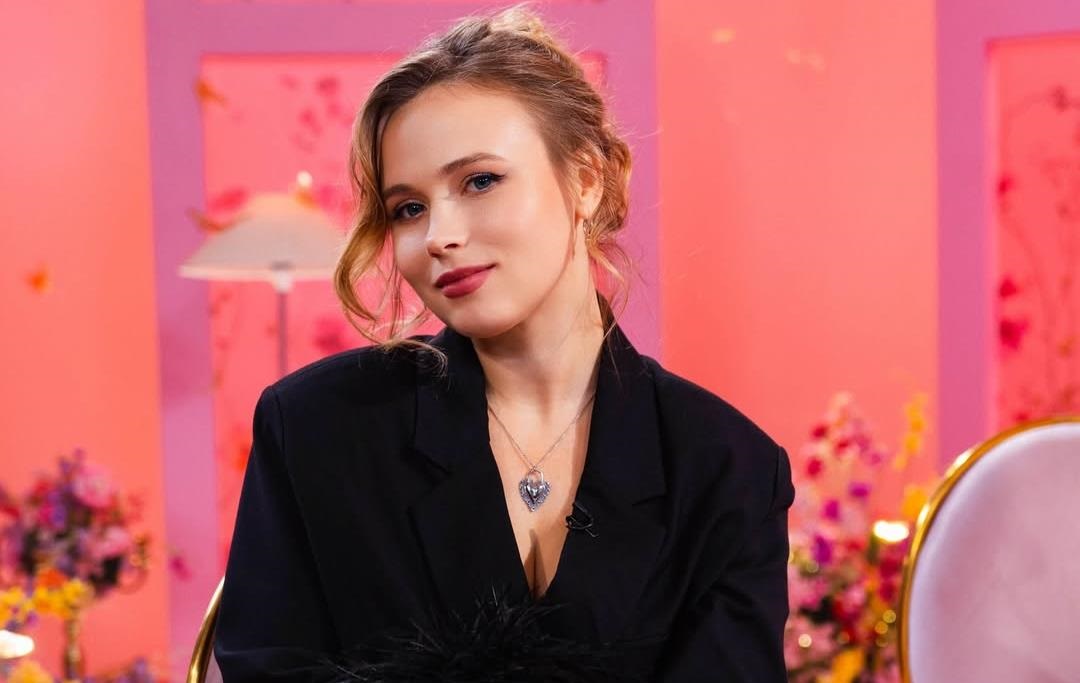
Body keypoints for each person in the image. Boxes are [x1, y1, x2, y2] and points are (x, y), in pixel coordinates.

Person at [214, 6, 795, 682]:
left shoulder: (728, 467)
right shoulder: (315, 427)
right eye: (409, 208)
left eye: (480, 181)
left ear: (586, 179)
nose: (439, 235)